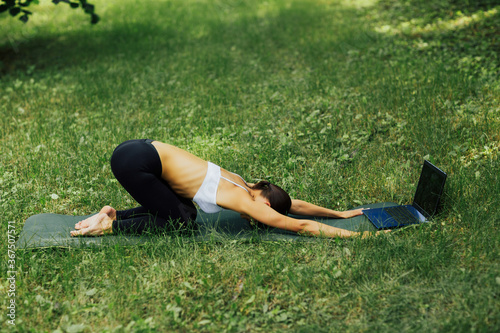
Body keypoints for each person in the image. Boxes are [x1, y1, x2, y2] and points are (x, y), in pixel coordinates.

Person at [71, 139, 387, 238]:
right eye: (262, 215)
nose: (257, 218)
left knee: (181, 209)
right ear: (264, 206)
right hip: (137, 164)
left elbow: (293, 207)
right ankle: (112, 227)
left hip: (138, 151)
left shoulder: (243, 184)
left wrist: (339, 213)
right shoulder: (245, 201)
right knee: (183, 223)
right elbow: (300, 224)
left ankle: (112, 214)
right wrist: (359, 236)